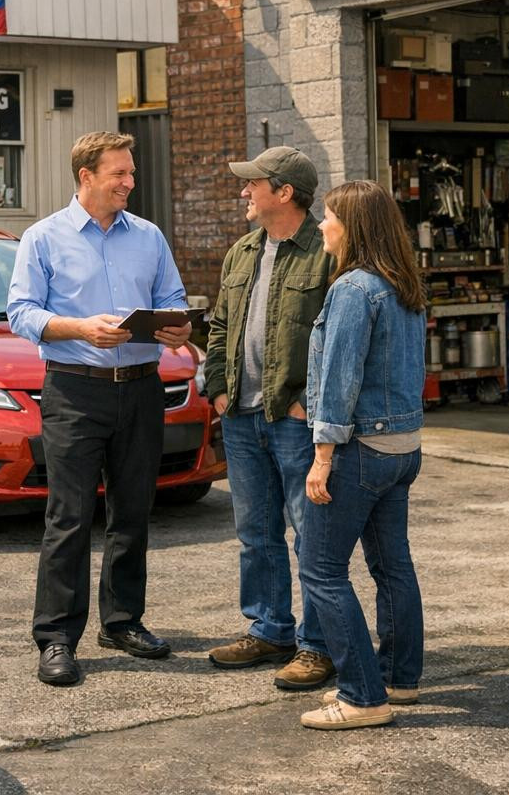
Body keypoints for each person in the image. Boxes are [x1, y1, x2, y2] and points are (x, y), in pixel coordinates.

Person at [7, 131, 193, 687]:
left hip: (141, 388)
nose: (130, 182)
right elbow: (20, 312)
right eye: (120, 173)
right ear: (86, 175)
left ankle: (122, 622)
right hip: (75, 390)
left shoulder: (149, 236)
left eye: (131, 172)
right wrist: (80, 328)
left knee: (133, 511)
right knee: (68, 517)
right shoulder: (43, 237)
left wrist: (176, 326)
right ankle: (56, 638)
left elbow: (173, 300)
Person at [202, 147, 335, 691]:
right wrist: (217, 390)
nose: (244, 191)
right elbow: (218, 327)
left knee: (311, 538)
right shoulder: (242, 251)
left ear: (284, 192)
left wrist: (310, 403)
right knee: (255, 534)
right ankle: (270, 629)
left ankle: (318, 645)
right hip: (241, 415)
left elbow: (339, 337)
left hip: (296, 420)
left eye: (253, 184)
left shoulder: (326, 253)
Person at [297, 180, 427, 730]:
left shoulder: (353, 289)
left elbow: (339, 379)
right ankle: (398, 679)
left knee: (321, 569)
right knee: (392, 565)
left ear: (352, 227)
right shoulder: (403, 285)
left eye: (329, 216)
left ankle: (362, 697)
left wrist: (322, 456)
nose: (322, 224)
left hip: (360, 451)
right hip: (402, 448)